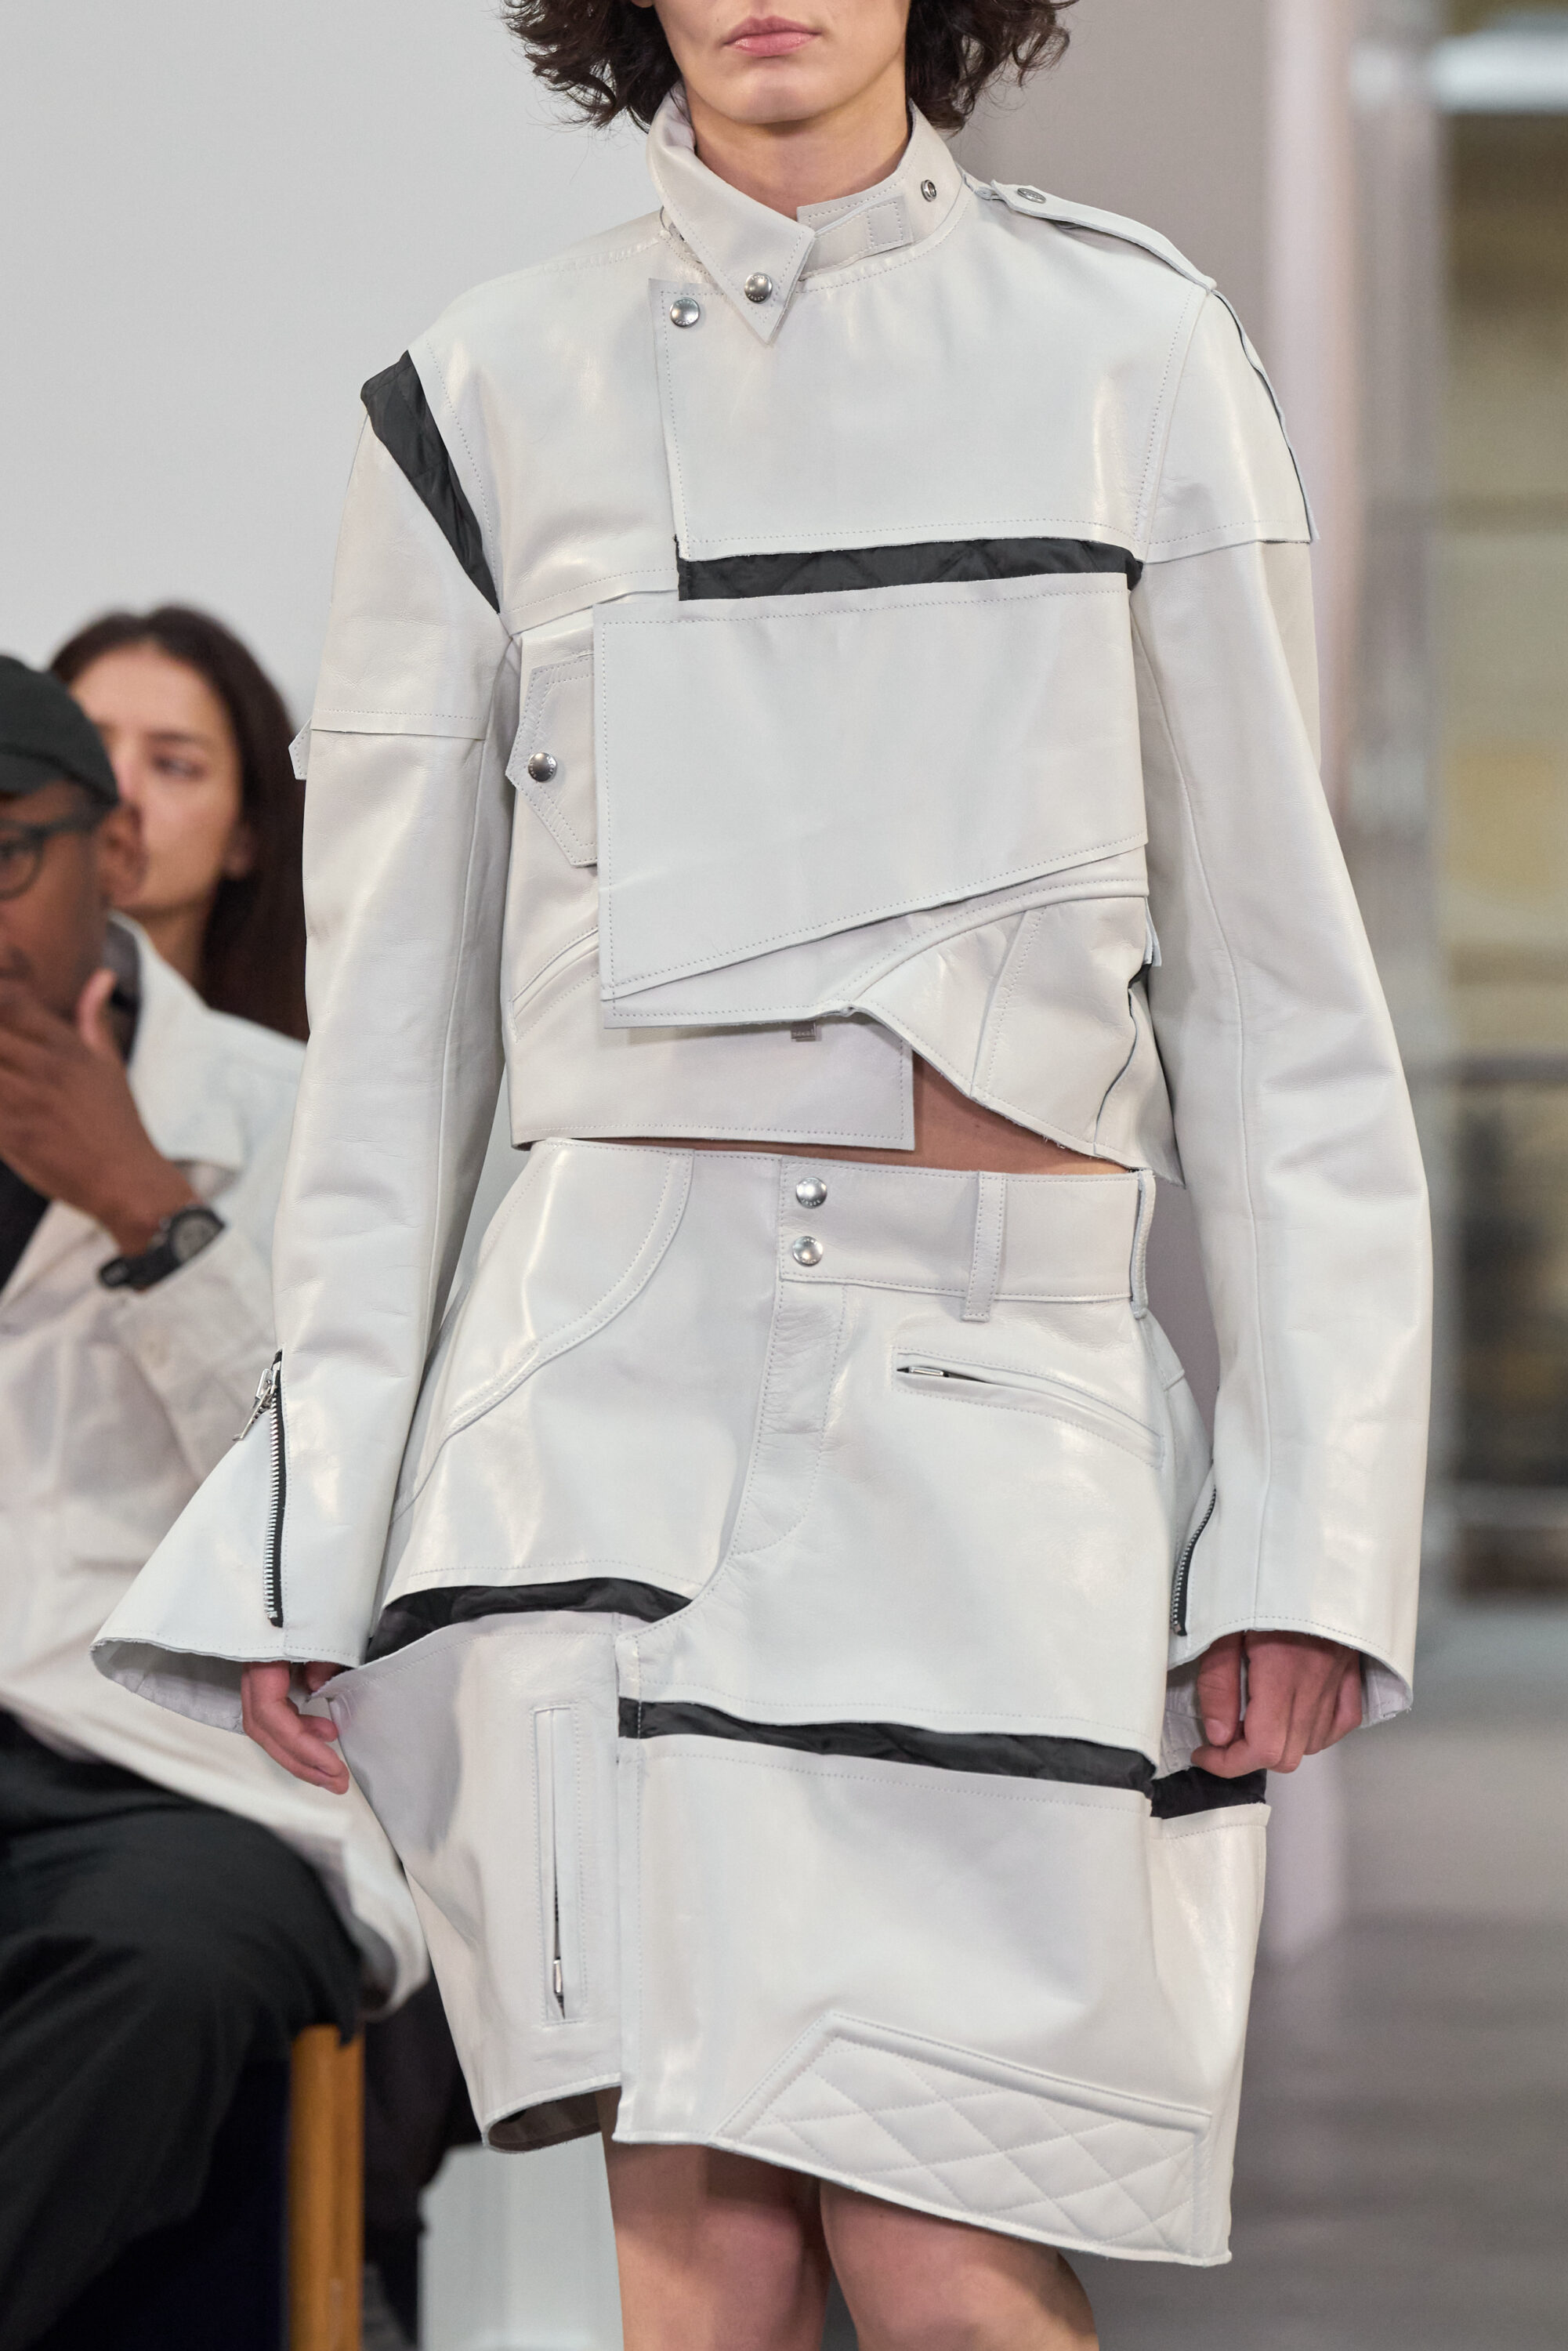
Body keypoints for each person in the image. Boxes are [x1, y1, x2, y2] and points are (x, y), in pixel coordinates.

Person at [97, 5, 1432, 2347]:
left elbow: (1271, 993)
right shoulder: (482, 392)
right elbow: (394, 1043)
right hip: (608, 1388)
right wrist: (317, 1523)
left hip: (996, 1403)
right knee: (694, 2268)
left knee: (948, 2267)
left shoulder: (1130, 352)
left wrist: (1311, 1521)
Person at [0, 656, 424, 2349]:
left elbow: (364, 1528)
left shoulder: (298, 1117)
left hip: (172, 1773)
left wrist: (149, 1215)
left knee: (165, 1964)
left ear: (106, 853)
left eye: (0, 857)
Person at [51, 607, 308, 1041]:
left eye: (174, 765)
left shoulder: (303, 1075)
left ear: (246, 837)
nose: (118, 790)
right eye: (85, 750)